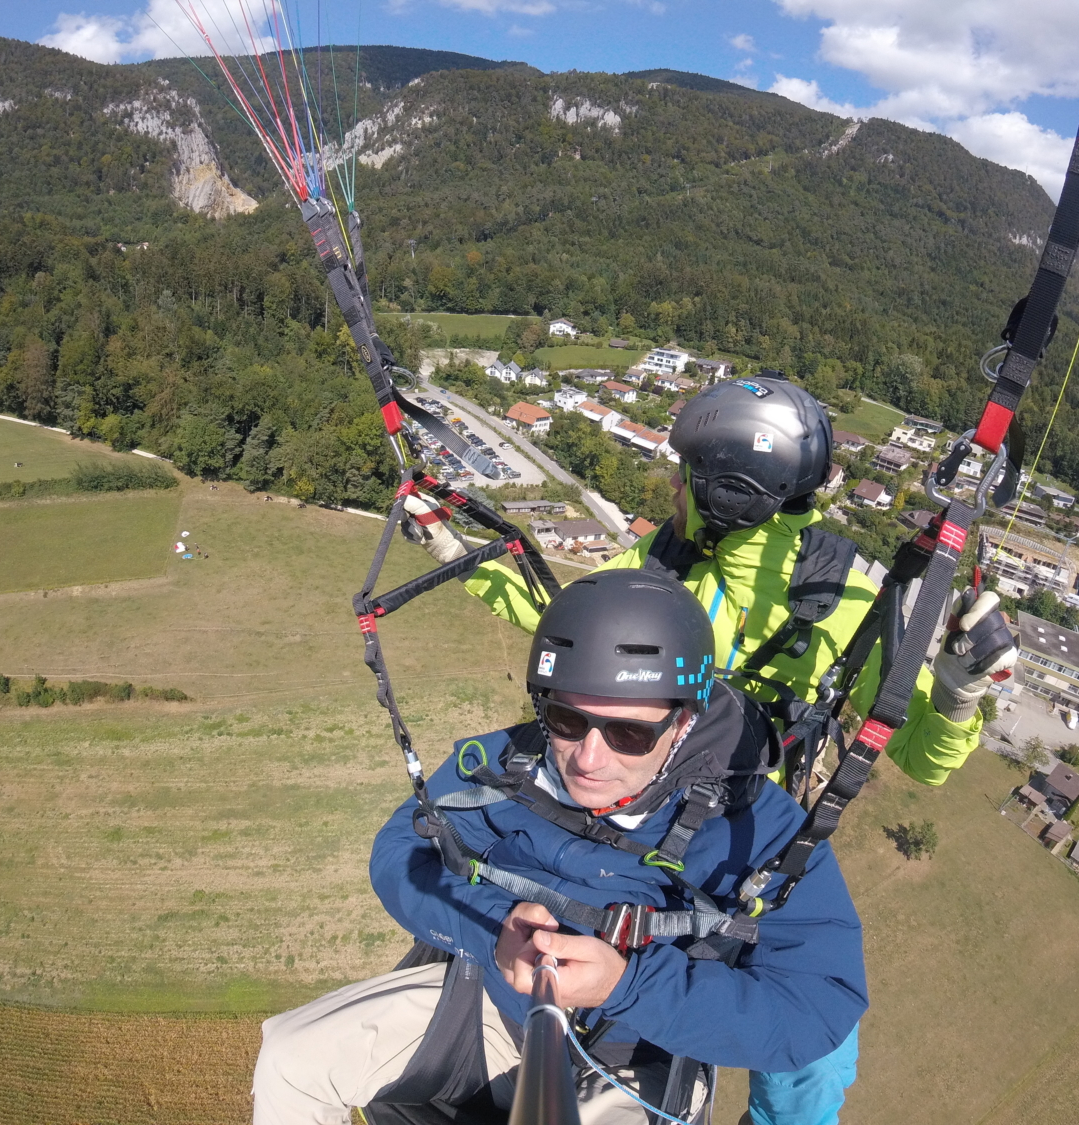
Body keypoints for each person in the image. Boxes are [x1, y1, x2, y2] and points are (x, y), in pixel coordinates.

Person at [401, 372, 1016, 1123]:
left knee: (809, 1051)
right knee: (809, 1064)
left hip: (746, 833)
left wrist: (956, 692)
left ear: (725, 493)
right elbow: (556, 615)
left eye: (684, 476)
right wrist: (453, 543)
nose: (672, 488)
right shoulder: (663, 573)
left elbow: (918, 753)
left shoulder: (836, 600)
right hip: (665, 822)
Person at [252, 571, 867, 1125]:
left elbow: (816, 1007)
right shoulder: (501, 764)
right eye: (567, 722)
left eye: (629, 733)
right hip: (490, 1005)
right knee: (289, 1060)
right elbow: (400, 853)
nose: (589, 759)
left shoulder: (759, 830)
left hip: (635, 1057)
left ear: (683, 721)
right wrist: (492, 929)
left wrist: (628, 986)